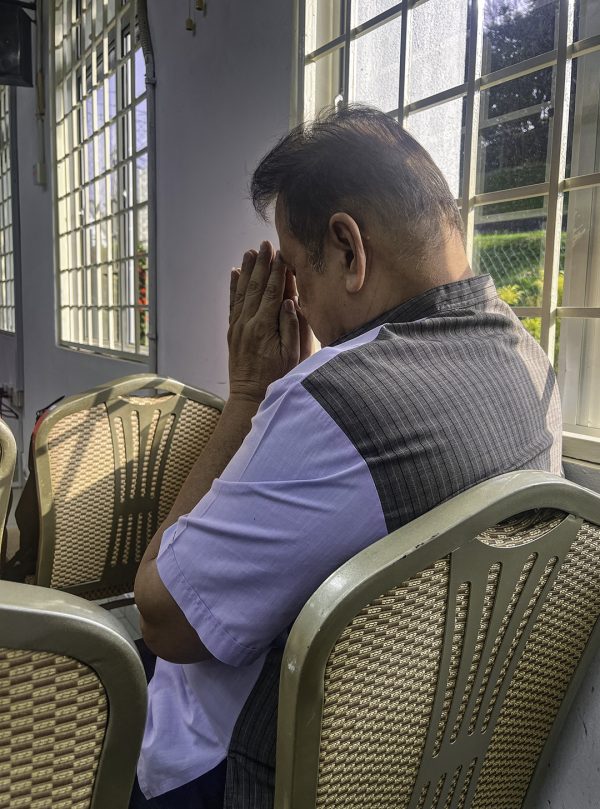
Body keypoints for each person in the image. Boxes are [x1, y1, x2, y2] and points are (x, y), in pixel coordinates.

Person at [132, 105, 562, 808]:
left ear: (348, 249)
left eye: (298, 274)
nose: (299, 306)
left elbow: (165, 618)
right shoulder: (533, 365)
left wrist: (247, 397)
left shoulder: (331, 401)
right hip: (429, 769)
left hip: (249, 774)